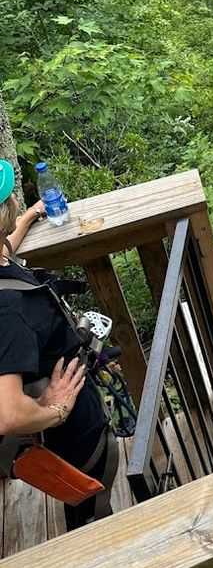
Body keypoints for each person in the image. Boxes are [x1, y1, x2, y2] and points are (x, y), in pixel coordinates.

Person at [0, 159, 115, 529]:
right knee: (91, 505)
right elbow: (10, 414)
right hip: (68, 434)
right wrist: (59, 409)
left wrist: (33, 214)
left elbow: (6, 252)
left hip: (50, 434)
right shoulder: (9, 310)